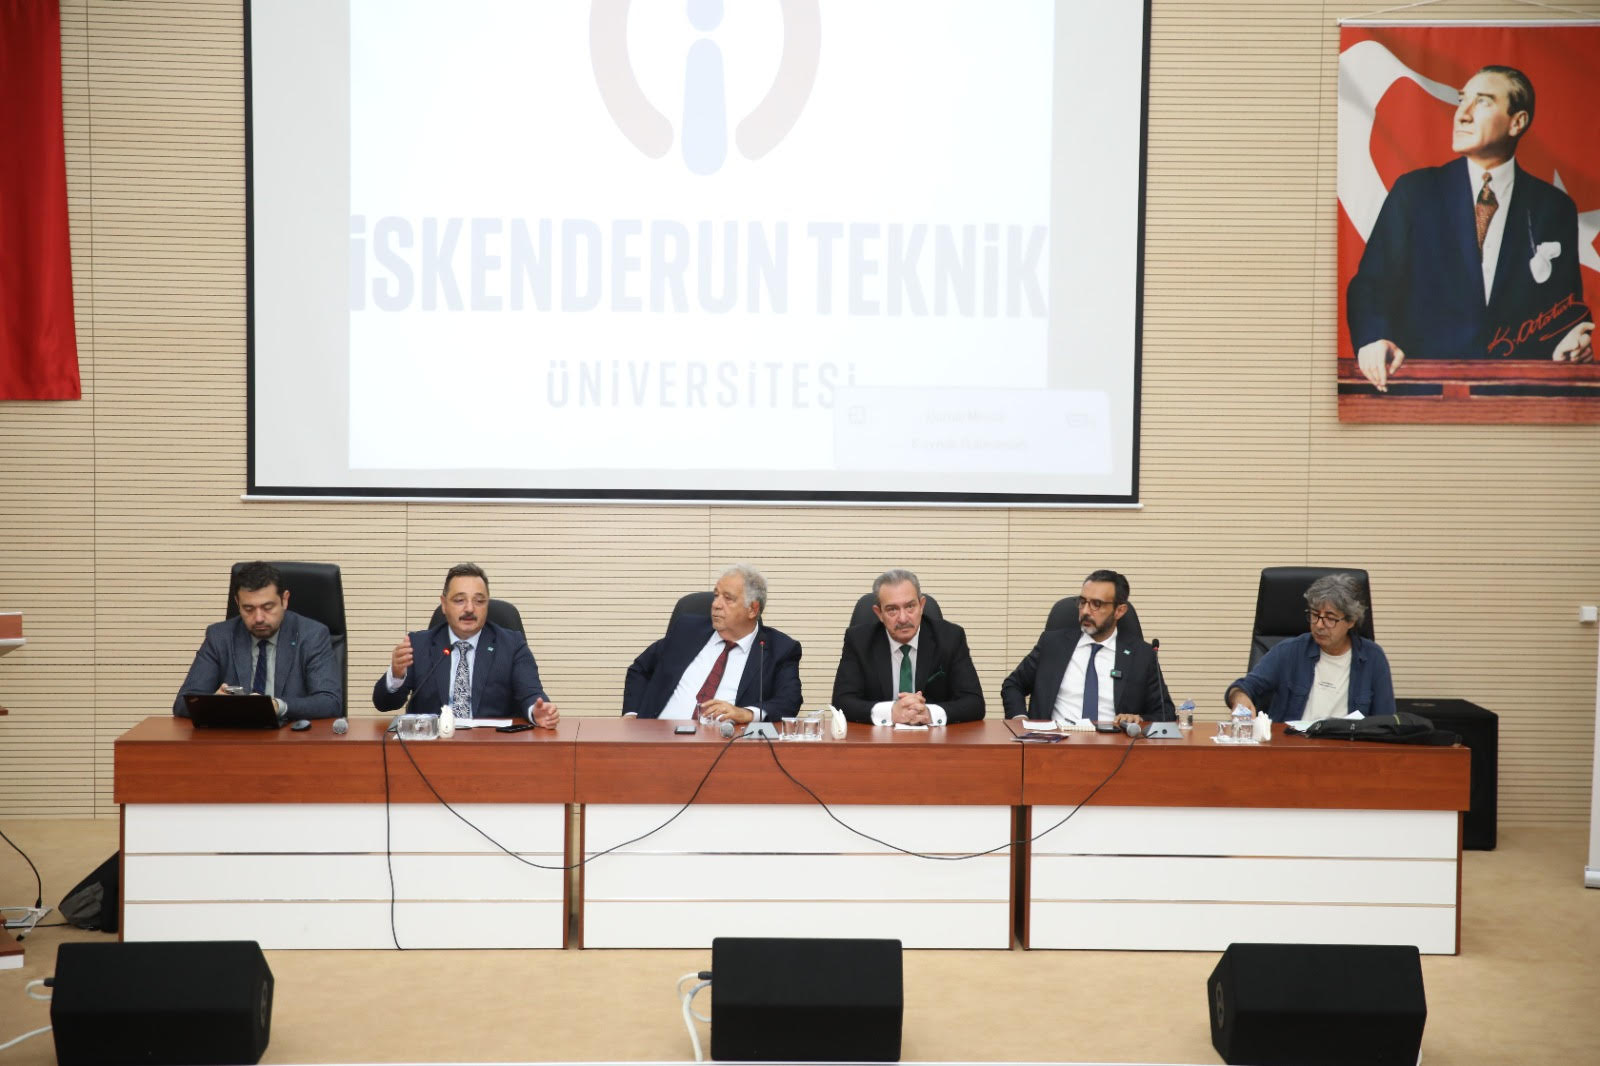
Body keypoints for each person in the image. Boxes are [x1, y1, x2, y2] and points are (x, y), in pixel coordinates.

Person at [1348, 64, 1593, 390]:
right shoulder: (1415, 192)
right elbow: (1371, 285)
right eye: (1462, 100)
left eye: (1483, 102)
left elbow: (1563, 309)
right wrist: (1373, 338)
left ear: (1517, 122)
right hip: (1423, 391)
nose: (1462, 115)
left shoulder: (1554, 207)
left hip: (1518, 396)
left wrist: (1570, 342)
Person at [373, 563, 558, 727]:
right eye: (459, 600)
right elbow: (384, 704)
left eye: (479, 601)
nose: (469, 608)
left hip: (492, 746)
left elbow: (530, 693)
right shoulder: (419, 645)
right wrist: (396, 676)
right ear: (444, 604)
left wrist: (536, 711)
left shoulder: (511, 645)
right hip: (432, 746)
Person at [623, 564, 802, 724]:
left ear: (752, 610)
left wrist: (746, 713)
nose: (716, 604)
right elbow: (640, 669)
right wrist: (633, 715)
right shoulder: (687, 630)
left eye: (728, 598)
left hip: (723, 744)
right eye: (716, 596)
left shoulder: (779, 649)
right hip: (657, 738)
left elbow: (789, 701)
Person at [1001, 569, 1172, 728]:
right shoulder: (1052, 644)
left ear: (1119, 611)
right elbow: (1013, 685)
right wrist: (1020, 720)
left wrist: (1138, 719)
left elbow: (1166, 713)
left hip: (1114, 744)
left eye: (1096, 604)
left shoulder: (1142, 655)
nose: (1085, 611)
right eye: (1082, 602)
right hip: (1055, 742)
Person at [174, 561, 342, 720]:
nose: (259, 618)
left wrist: (277, 706)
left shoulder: (312, 635)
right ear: (237, 603)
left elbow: (330, 702)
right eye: (249, 609)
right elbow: (183, 703)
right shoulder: (219, 637)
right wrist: (213, 703)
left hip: (290, 736)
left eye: (268, 607)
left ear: (284, 600)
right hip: (235, 736)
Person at [1225, 572, 1395, 722]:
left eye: (1330, 618)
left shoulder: (1373, 658)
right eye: (1315, 615)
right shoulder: (1288, 651)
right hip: (1293, 744)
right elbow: (1244, 687)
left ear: (1351, 621)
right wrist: (1240, 698)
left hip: (1348, 747)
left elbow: (1386, 723)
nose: (1319, 625)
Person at [832, 568, 984, 725]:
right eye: (892, 609)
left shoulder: (951, 638)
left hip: (934, 737)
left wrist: (929, 713)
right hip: (878, 737)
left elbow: (974, 703)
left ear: (921, 605)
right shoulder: (859, 641)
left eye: (910, 606)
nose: (903, 618)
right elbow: (842, 702)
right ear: (879, 613)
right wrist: (891, 712)